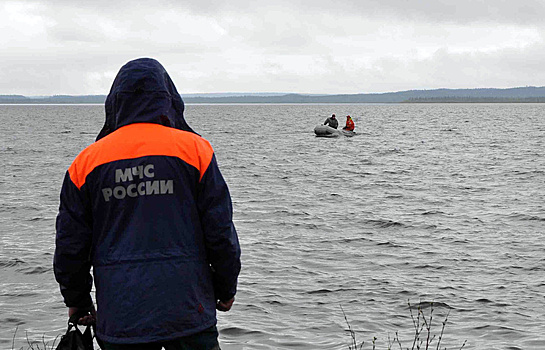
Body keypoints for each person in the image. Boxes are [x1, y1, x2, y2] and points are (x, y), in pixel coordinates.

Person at [54, 58, 241, 350]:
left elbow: (70, 246)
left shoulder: (86, 163)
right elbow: (220, 231)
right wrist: (226, 287)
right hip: (190, 309)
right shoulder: (196, 151)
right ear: (169, 99)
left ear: (114, 102)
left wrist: (77, 301)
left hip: (122, 315)